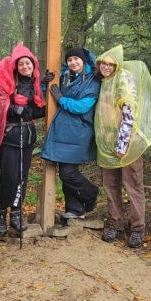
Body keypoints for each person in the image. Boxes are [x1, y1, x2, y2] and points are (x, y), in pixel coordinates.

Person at [94, 45, 151, 248]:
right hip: (107, 146)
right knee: (111, 186)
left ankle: (137, 228)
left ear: (117, 65)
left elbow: (128, 113)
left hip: (126, 146)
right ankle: (116, 224)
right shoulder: (104, 83)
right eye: (102, 63)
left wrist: (122, 144)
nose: (105, 67)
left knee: (132, 186)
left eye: (109, 64)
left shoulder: (122, 80)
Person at [0, 43, 50, 234]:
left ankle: (16, 214)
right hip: (10, 137)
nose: (25, 67)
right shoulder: (8, 81)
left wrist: (49, 104)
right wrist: (14, 108)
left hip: (27, 136)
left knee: (22, 178)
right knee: (9, 177)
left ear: (33, 65)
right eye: (21, 64)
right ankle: (1, 214)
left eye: (28, 64)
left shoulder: (35, 85)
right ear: (16, 67)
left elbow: (34, 110)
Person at [41, 47, 101, 221]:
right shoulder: (65, 76)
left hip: (79, 131)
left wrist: (61, 99)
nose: (73, 62)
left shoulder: (92, 80)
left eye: (76, 59)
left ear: (83, 61)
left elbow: (82, 107)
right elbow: (46, 92)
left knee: (67, 172)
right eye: (70, 60)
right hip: (63, 129)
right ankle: (75, 210)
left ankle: (91, 193)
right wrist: (45, 82)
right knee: (66, 170)